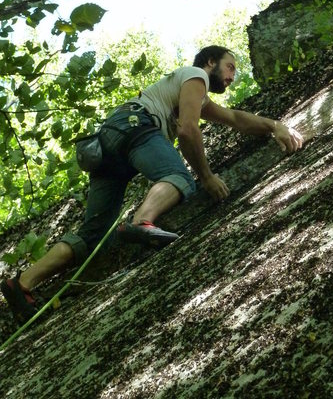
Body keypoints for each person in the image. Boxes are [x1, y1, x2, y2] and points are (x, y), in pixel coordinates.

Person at [1, 45, 303, 323]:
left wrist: (274, 125)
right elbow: (187, 131)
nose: (232, 76)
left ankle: (23, 283)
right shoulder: (195, 75)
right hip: (135, 126)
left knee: (92, 236)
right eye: (230, 67)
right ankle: (142, 221)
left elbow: (235, 118)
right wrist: (206, 177)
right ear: (210, 62)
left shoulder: (194, 94)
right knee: (180, 177)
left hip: (108, 144)